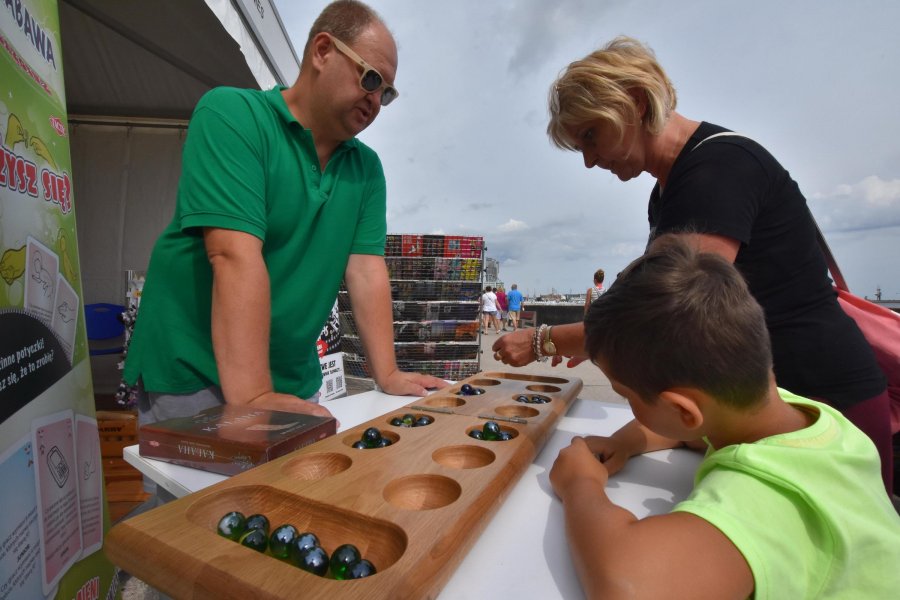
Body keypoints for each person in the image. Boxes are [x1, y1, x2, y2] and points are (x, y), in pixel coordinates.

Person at [493, 35, 893, 494]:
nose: (588, 161)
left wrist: (544, 339)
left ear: (636, 103)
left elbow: (666, 315)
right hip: (759, 406)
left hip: (822, 406)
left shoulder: (716, 170)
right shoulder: (670, 189)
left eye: (590, 136)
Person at [124, 0, 445, 430]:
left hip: (291, 374)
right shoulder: (233, 115)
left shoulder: (366, 169)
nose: (375, 100)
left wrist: (385, 374)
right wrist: (255, 395)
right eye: (370, 78)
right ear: (323, 51)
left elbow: (366, 270)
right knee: (202, 497)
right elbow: (233, 255)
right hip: (194, 367)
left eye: (386, 92)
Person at [549, 237, 900, 599]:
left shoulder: (768, 495)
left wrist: (580, 485)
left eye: (626, 395)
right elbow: (691, 433)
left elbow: (626, 589)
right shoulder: (805, 419)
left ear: (684, 410)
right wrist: (623, 442)